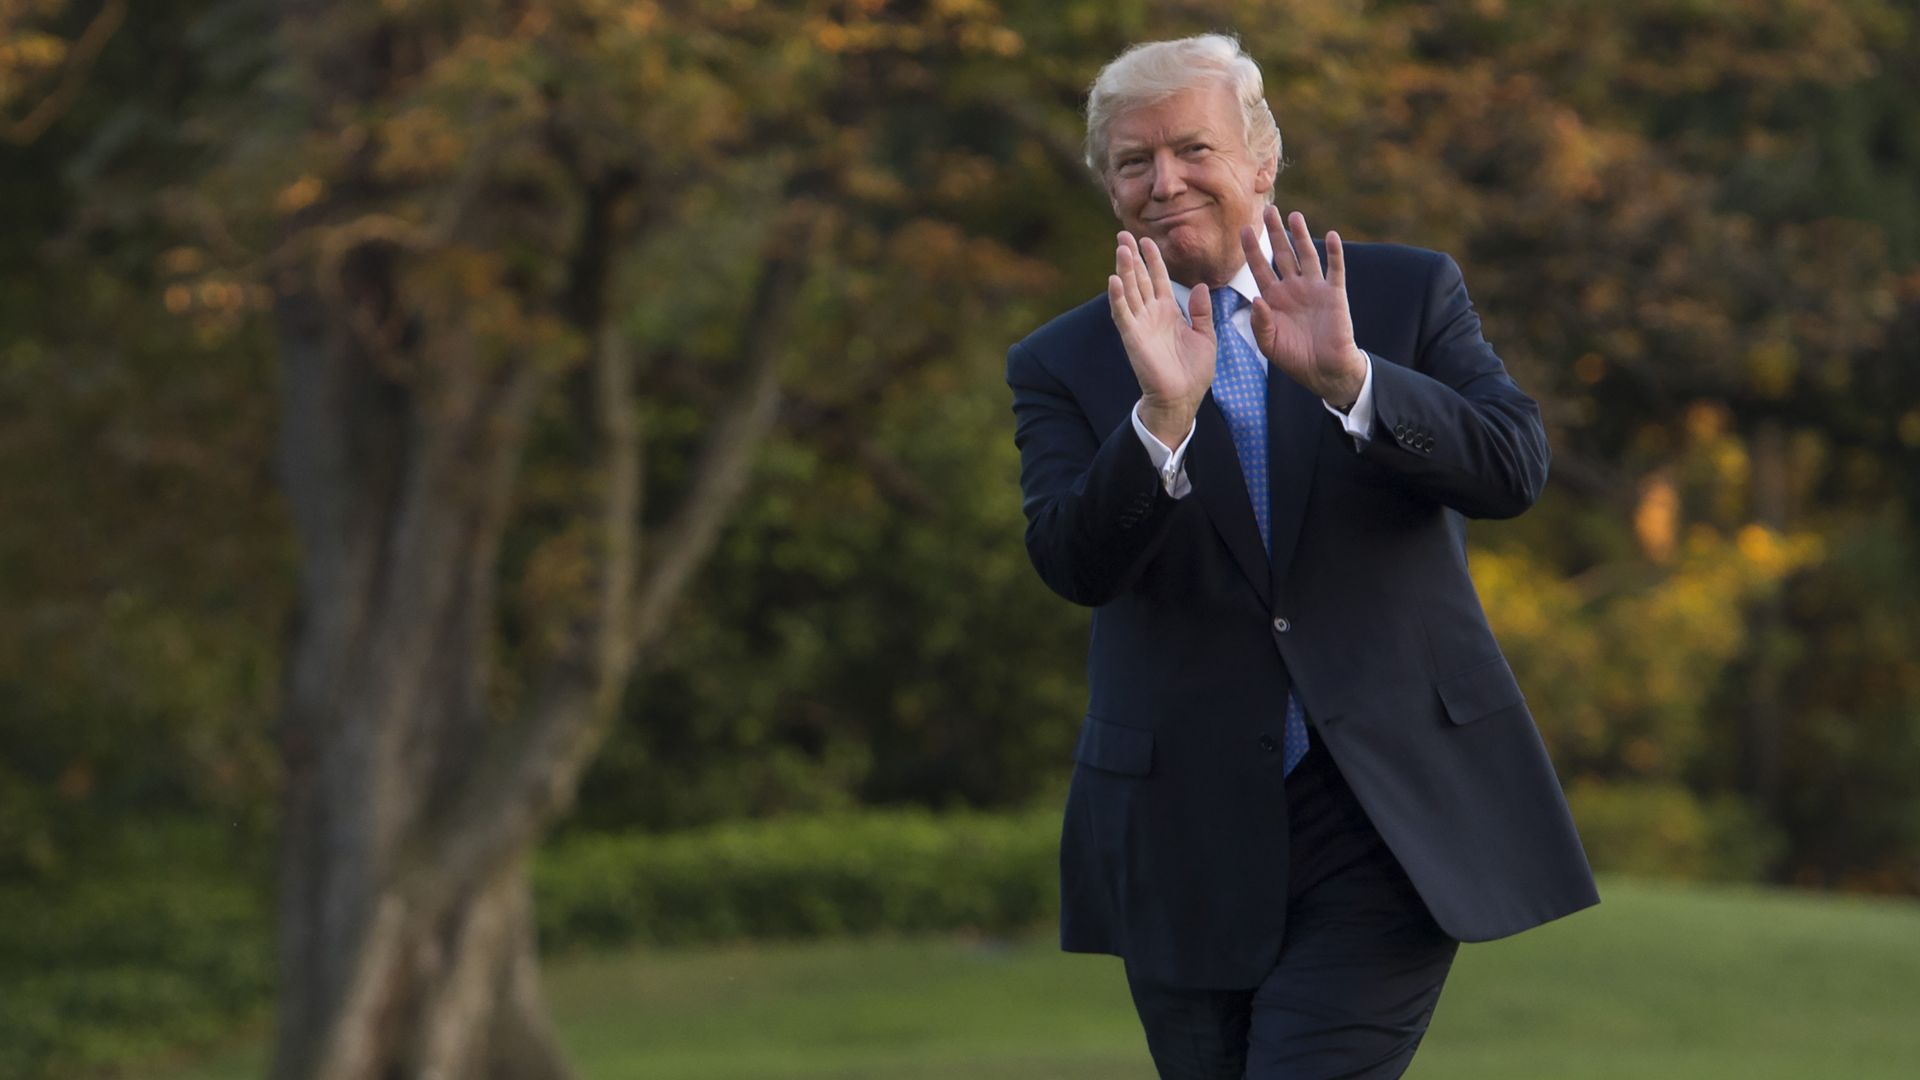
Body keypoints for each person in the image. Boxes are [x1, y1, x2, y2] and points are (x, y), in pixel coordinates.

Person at [1005, 33, 1599, 1079]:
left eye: (1193, 148)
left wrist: (1353, 378)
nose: (1165, 180)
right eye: (1134, 162)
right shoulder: (1063, 360)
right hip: (1181, 827)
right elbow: (1071, 563)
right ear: (1110, 186)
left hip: (1384, 813)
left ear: (1262, 161)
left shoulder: (1404, 295)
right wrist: (1161, 420)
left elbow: (1512, 469)